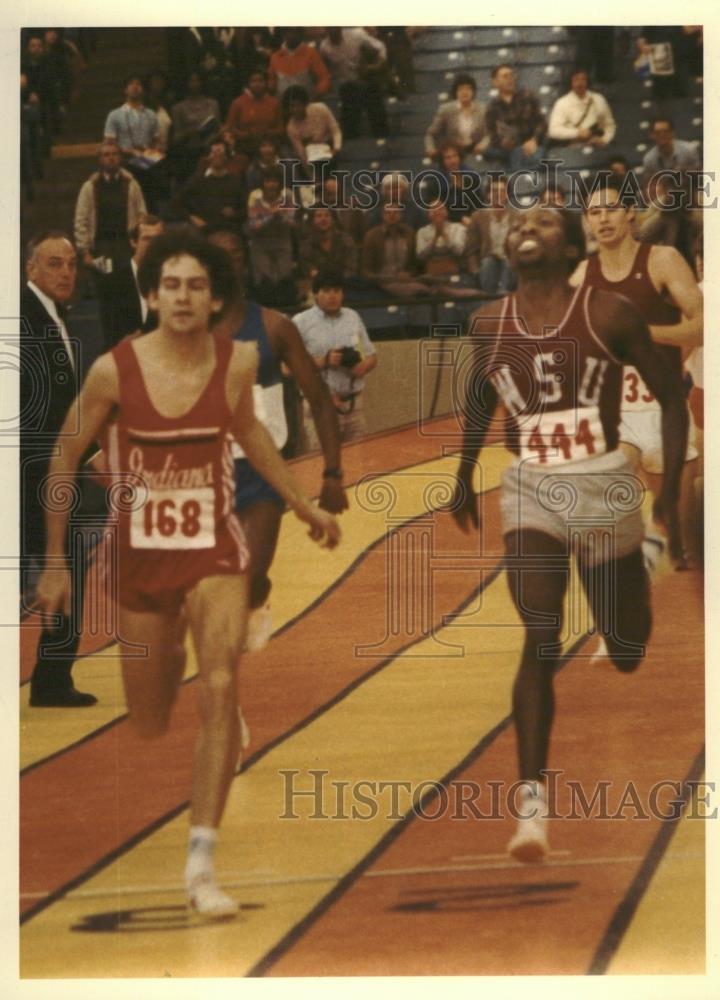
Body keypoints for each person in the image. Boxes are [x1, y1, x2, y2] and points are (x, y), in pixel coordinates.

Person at [33, 228, 340, 917]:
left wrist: (302, 503)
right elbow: (63, 455)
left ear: (214, 298)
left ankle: (202, 861)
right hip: (143, 557)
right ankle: (167, 648)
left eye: (196, 285)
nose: (182, 296)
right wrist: (54, 563)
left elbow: (252, 434)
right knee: (149, 715)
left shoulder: (237, 363)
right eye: (170, 284)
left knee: (222, 682)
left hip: (212, 547)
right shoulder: (116, 369)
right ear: (150, 294)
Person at [450, 205, 688, 861]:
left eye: (545, 221)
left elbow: (672, 393)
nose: (528, 226)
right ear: (506, 244)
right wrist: (464, 472)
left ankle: (634, 575)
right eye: (519, 220)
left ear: (569, 245)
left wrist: (666, 490)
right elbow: (479, 398)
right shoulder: (487, 323)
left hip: (606, 482)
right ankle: (531, 810)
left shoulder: (610, 313)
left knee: (629, 647)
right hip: (532, 484)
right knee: (539, 631)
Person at [206, 225, 348, 651]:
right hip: (203, 473)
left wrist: (333, 472)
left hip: (260, 474)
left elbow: (320, 400)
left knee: (246, 578)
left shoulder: (273, 327)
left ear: (244, 263)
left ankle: (258, 591)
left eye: (235, 253)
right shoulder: (184, 328)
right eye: (218, 255)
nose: (227, 262)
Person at [574, 176, 703, 566]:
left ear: (630, 213)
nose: (604, 219)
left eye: (611, 208)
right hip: (616, 412)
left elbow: (701, 326)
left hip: (665, 409)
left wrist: (643, 335)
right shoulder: (581, 275)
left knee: (685, 550)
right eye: (594, 212)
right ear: (587, 222)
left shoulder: (661, 259)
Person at [21, 232, 98, 707]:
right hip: (33, 473)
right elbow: (40, 410)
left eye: (70, 263)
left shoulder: (50, 316)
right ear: (31, 268)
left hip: (46, 469)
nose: (66, 272)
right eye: (54, 264)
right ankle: (51, 678)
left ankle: (53, 675)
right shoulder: (24, 317)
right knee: (64, 561)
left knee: (67, 560)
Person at [293, 271, 378, 450]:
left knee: (359, 464)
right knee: (321, 466)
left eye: (337, 291)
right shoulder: (301, 322)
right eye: (326, 290)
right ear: (315, 293)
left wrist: (364, 366)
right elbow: (288, 367)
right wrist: (324, 360)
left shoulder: (352, 317)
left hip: (354, 405)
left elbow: (372, 356)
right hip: (320, 405)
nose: (333, 296)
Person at [73, 139, 147, 272]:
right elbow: (81, 220)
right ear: (100, 159)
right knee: (104, 286)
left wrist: (140, 246)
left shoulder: (132, 185)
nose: (111, 158)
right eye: (106, 155)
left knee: (127, 286)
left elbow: (142, 216)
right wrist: (85, 252)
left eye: (114, 154)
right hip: (101, 247)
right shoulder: (90, 187)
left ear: (120, 157)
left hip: (126, 247)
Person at [98, 214, 164, 349]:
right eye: (147, 239)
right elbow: (110, 336)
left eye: (157, 240)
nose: (152, 245)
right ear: (133, 242)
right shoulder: (112, 282)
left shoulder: (169, 280)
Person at [103, 74, 164, 211]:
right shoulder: (115, 115)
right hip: (126, 163)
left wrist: (154, 152)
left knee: (149, 202)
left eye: (138, 84)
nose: (135, 87)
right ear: (125, 90)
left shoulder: (151, 114)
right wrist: (128, 151)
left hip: (148, 164)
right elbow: (109, 144)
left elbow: (157, 141)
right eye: (131, 84)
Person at [319, 27, 388, 140]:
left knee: (373, 98)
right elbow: (325, 69)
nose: (332, 31)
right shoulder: (324, 47)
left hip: (367, 78)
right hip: (348, 85)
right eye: (329, 28)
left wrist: (375, 67)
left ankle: (382, 139)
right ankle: (351, 143)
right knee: (348, 124)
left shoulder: (357, 34)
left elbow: (381, 47)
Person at [171, 138, 247, 232]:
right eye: (214, 153)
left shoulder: (236, 182)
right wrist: (193, 218)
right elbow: (176, 204)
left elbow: (245, 210)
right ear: (207, 157)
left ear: (227, 157)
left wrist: (234, 214)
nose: (217, 156)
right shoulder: (198, 180)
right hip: (204, 230)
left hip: (229, 229)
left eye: (221, 154)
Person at [483, 64, 547, 171]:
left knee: (532, 158)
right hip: (508, 148)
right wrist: (502, 142)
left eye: (511, 75)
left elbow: (542, 122)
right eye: (505, 76)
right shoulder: (492, 107)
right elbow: (492, 133)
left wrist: (534, 140)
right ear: (495, 82)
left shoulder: (528, 96)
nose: (510, 79)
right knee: (487, 152)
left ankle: (517, 170)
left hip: (531, 144)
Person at [466, 173, 516, 294]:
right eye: (494, 191)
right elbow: (471, 250)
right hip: (488, 263)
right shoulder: (478, 217)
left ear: (508, 195)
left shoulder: (517, 218)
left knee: (509, 263)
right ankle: (490, 298)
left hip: (509, 263)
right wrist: (475, 270)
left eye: (502, 191)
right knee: (489, 263)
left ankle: (502, 295)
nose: (498, 194)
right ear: (488, 195)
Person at [547, 68, 616, 148]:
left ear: (587, 82)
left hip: (597, 146)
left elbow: (609, 125)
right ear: (571, 82)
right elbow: (553, 131)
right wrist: (577, 133)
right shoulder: (562, 103)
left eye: (583, 79)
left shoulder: (599, 99)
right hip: (572, 147)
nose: (580, 83)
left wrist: (604, 140)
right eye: (576, 80)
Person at [424, 73, 487, 159]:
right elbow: (430, 134)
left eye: (468, 89)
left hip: (475, 151)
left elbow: (489, 133)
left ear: (473, 92)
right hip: (454, 153)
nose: (465, 92)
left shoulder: (482, 109)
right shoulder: (446, 110)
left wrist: (482, 145)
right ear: (455, 92)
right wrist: (430, 149)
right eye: (461, 89)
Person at [283, 85, 342, 174]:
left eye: (297, 105)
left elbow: (336, 131)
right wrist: (312, 177)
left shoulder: (321, 108)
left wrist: (336, 149)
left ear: (305, 104)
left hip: (330, 146)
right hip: (311, 154)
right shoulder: (291, 128)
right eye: (291, 106)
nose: (294, 109)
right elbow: (302, 153)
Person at [224, 69, 283, 156]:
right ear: (248, 84)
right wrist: (247, 135)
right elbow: (230, 128)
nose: (257, 84)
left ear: (265, 83)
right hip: (244, 148)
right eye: (253, 81)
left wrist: (267, 133)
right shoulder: (237, 103)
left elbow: (281, 129)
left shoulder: (275, 103)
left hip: (270, 147)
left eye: (260, 80)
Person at [268, 27, 331, 99]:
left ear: (300, 33)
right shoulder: (275, 57)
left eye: (294, 31)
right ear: (283, 33)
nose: (291, 34)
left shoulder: (311, 53)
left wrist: (317, 94)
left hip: (308, 104)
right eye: (288, 31)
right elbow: (271, 83)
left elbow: (324, 78)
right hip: (282, 105)